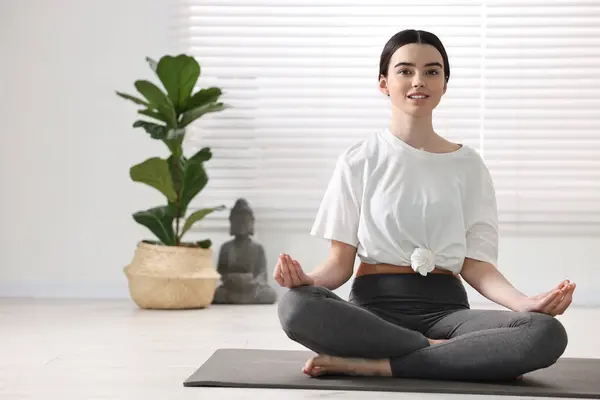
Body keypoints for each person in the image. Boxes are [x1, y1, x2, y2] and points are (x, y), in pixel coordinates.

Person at [273, 29, 576, 382]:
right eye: (405, 71)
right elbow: (339, 265)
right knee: (296, 306)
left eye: (432, 71)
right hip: (373, 311)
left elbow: (476, 265)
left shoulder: (469, 165)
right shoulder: (359, 159)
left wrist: (524, 303)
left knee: (545, 332)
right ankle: (436, 352)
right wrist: (306, 281)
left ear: (445, 83)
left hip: (447, 313)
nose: (419, 80)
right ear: (384, 83)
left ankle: (381, 363)